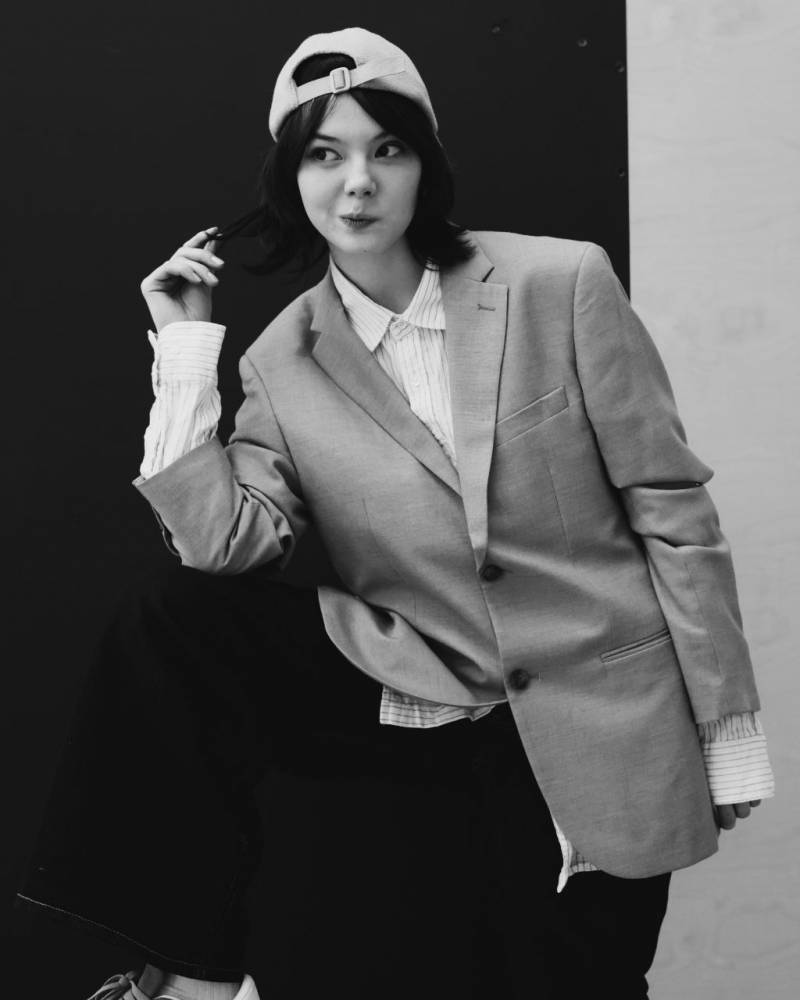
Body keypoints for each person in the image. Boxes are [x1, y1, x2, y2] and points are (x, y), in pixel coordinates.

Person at [14, 26, 775, 1000]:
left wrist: (726, 731)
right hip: (423, 710)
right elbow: (224, 544)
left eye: (386, 148)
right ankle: (196, 977)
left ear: (425, 163)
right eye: (323, 156)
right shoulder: (282, 362)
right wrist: (185, 352)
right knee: (175, 620)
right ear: (291, 181)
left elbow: (670, 508)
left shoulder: (560, 284)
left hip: (602, 721)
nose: (357, 183)